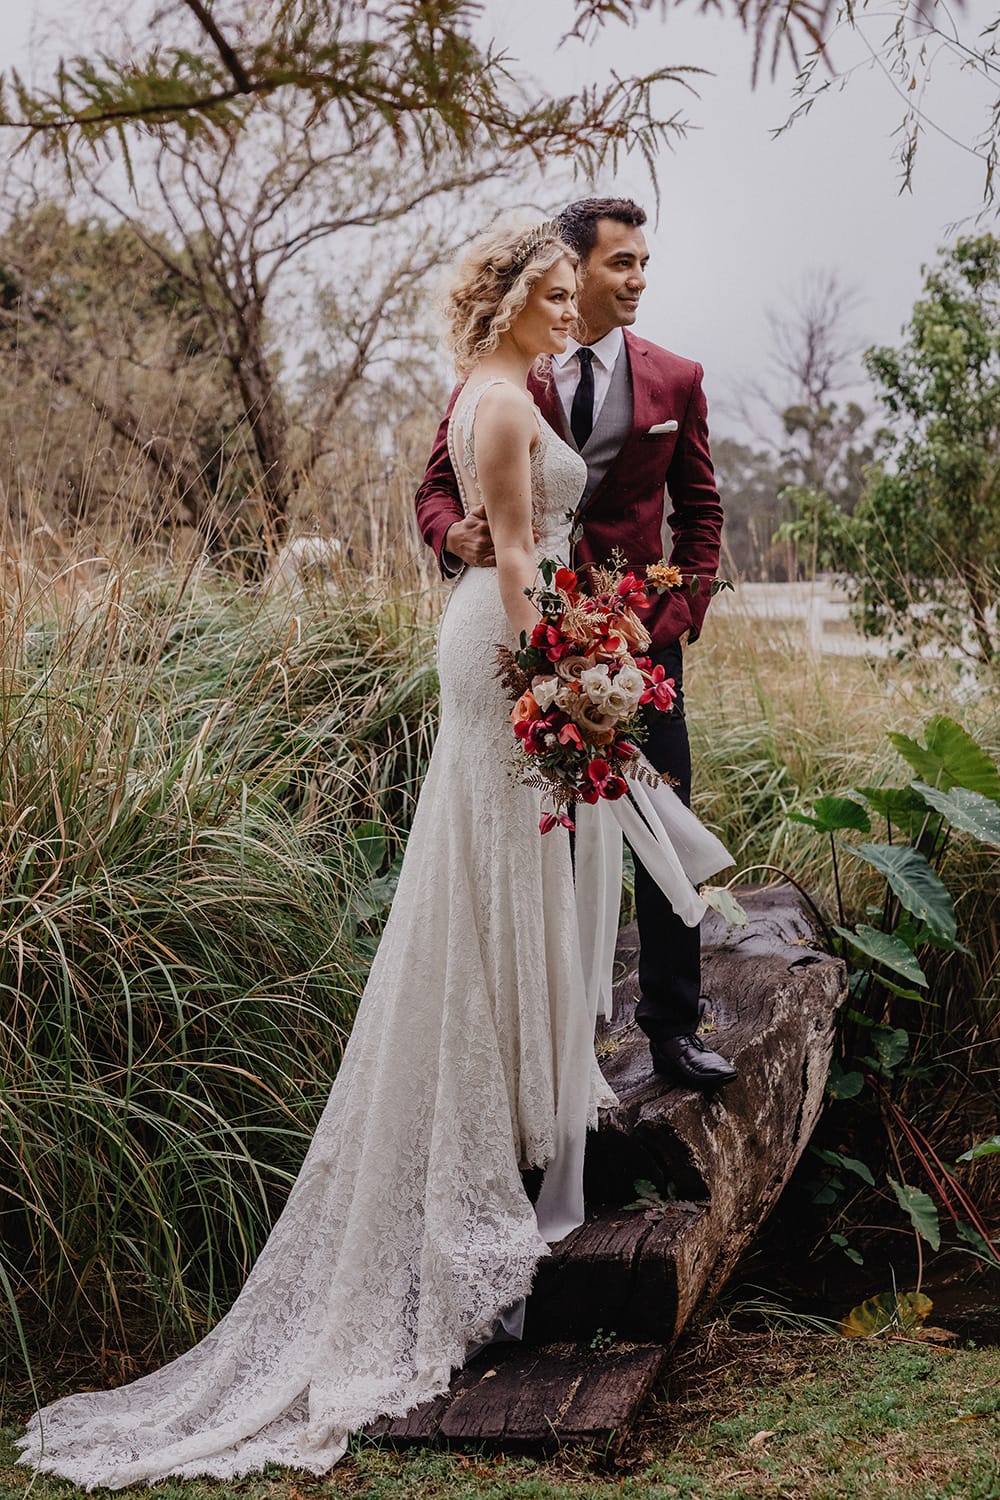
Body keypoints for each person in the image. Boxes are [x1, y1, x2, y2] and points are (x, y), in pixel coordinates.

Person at [17, 221, 728, 1490]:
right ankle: (491, 1122)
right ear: (512, 296)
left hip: (529, 642)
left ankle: (523, 1094)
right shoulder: (498, 401)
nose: (573, 308)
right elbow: (511, 547)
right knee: (496, 872)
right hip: (512, 651)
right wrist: (562, 673)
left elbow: (577, 530)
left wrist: (593, 643)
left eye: (578, 291)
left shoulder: (499, 384)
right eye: (554, 291)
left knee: (513, 872)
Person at [415, 197, 735, 1091]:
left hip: (640, 648)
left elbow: (701, 515)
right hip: (532, 634)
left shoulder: (676, 377)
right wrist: (453, 536)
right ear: (573, 268)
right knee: (541, 833)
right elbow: (436, 487)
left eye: (644, 264)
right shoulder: (511, 370)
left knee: (659, 816)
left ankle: (672, 1026)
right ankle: (557, 1035)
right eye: (620, 263)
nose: (638, 280)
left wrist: (668, 622)